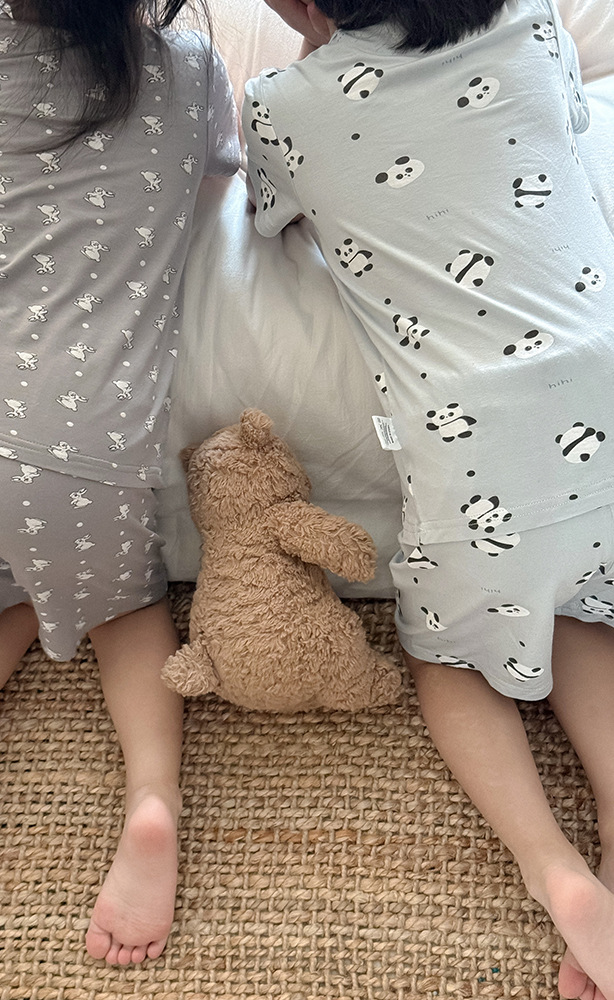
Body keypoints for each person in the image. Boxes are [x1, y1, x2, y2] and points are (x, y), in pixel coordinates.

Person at [242, 1, 614, 996]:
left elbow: (270, 214)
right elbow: (568, 123)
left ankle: (553, 866)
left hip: (476, 443)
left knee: (446, 657)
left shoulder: (284, 105)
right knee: (585, 607)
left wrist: (318, 51)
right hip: (606, 399)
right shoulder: (534, 23)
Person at [0, 0, 239, 966]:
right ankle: (152, 802)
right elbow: (220, 178)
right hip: (70, 453)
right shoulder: (189, 71)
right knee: (127, 617)